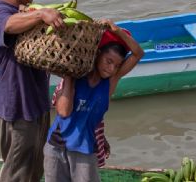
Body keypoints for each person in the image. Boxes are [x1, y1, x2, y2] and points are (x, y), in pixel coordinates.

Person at [0, 0, 66, 182]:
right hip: (16, 105)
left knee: (34, 170)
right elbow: (7, 25)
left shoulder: (20, 10)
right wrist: (41, 14)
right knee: (16, 173)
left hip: (36, 102)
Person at [43, 19, 145, 182]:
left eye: (116, 65)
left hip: (85, 148)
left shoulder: (110, 81)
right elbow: (63, 112)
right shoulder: (76, 77)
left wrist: (116, 30)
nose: (111, 68)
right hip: (56, 146)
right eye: (108, 61)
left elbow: (138, 53)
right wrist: (69, 75)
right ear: (97, 55)